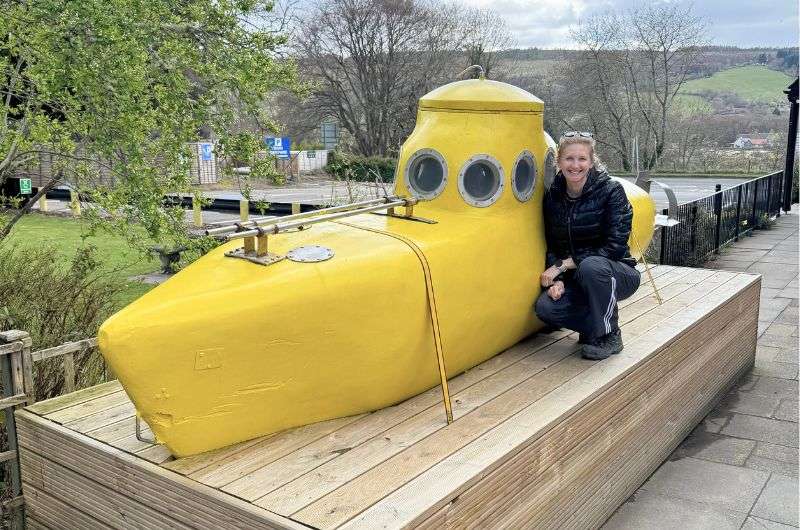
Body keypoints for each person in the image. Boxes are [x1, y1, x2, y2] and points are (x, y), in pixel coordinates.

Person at [534, 132, 640, 360]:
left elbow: (614, 246)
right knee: (546, 308)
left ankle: (610, 335)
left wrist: (563, 265)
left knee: (592, 266)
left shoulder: (611, 191)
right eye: (569, 159)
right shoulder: (553, 198)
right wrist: (558, 282)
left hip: (617, 272)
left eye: (582, 159)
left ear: (591, 162)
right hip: (577, 276)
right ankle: (593, 328)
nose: (575, 165)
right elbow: (553, 245)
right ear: (558, 162)